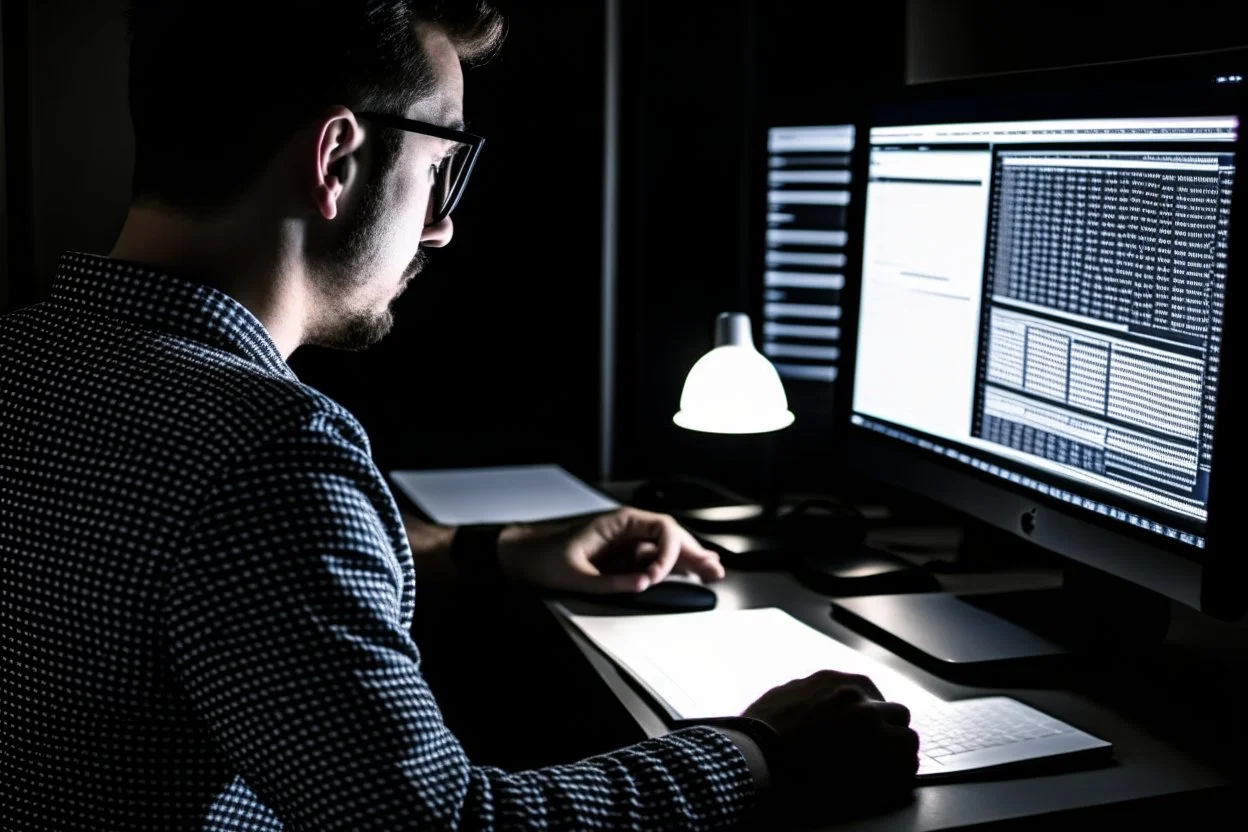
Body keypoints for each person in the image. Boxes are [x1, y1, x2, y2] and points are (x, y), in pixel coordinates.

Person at [0, 2, 918, 829]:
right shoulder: (267, 452)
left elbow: (200, 582)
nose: (440, 225)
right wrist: (759, 751)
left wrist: (496, 550)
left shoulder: (30, 360)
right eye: (443, 162)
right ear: (337, 158)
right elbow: (441, 827)